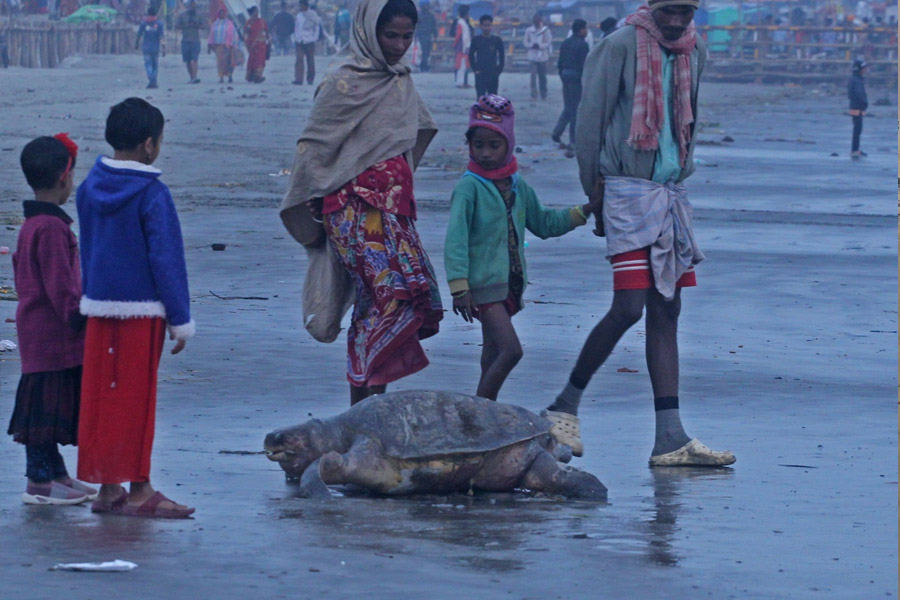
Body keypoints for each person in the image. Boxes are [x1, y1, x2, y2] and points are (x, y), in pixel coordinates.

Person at [546, 0, 736, 467]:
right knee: (629, 306)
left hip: (669, 192)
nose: (676, 21)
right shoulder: (618, 46)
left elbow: (690, 116)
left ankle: (670, 436)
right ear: (654, 6)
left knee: (667, 309)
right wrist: (594, 193)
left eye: (685, 12)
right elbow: (588, 124)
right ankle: (563, 406)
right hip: (626, 191)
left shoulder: (696, 51)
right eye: (669, 10)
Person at [280, 0, 442, 405]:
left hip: (397, 211)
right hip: (352, 214)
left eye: (407, 36)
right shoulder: (343, 82)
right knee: (389, 298)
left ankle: (370, 404)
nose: (399, 45)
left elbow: (417, 130)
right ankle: (364, 404)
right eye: (391, 35)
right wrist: (318, 195)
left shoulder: (401, 81)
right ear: (370, 30)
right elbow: (314, 146)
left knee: (390, 302)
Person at [76, 97, 195, 518]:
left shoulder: (88, 188)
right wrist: (180, 319)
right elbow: (167, 260)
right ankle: (140, 488)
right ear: (149, 145)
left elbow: (87, 250)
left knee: (103, 398)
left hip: (97, 310)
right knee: (138, 400)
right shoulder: (152, 193)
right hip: (142, 313)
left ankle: (109, 488)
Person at [445, 95, 600, 401]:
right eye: (479, 145)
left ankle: (481, 417)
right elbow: (456, 239)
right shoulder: (468, 187)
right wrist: (459, 286)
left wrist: (586, 210)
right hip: (482, 285)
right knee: (511, 350)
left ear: (509, 145)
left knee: (491, 353)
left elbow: (544, 223)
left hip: (509, 286)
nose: (486, 153)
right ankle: (478, 414)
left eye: (494, 145)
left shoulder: (516, 185)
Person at [7, 134, 97, 506]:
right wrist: (81, 318)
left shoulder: (32, 225)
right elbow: (62, 288)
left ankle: (56, 474)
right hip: (52, 335)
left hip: (36, 332)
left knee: (42, 409)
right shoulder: (52, 229)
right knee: (42, 415)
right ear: (65, 176)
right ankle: (40, 482)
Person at [552, 19, 589, 154]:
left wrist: (562, 74)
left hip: (565, 75)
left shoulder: (566, 42)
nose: (587, 31)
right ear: (581, 30)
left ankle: (557, 132)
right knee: (575, 110)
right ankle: (573, 141)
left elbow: (560, 61)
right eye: (585, 28)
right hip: (576, 77)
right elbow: (584, 64)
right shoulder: (583, 45)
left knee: (568, 106)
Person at [468, 14, 504, 97]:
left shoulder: (497, 40)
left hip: (493, 72)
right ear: (480, 26)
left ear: (491, 26)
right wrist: (475, 69)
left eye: (489, 25)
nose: (487, 28)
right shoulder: (476, 40)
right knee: (481, 98)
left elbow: (502, 56)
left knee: (493, 98)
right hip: (480, 73)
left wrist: (499, 70)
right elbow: (471, 55)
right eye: (485, 25)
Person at [523, 13, 551, 100]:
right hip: (532, 56)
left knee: (543, 77)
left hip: (542, 56)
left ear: (541, 21)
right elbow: (525, 42)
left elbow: (548, 42)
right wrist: (532, 45)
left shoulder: (545, 30)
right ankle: (533, 95)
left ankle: (543, 94)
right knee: (533, 77)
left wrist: (540, 46)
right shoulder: (529, 30)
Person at [175, 0, 204, 83]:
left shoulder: (199, 15)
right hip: (185, 40)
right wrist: (186, 26)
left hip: (196, 40)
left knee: (195, 59)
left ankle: (195, 77)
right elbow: (176, 25)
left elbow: (203, 26)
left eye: (194, 6)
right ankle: (191, 77)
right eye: (191, 6)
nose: (193, 7)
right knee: (188, 60)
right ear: (188, 7)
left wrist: (197, 25)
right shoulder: (182, 15)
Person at [292, 0, 321, 85]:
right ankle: (298, 79)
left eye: (302, 6)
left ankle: (310, 79)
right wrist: (295, 37)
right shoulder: (298, 16)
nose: (301, 7)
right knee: (299, 59)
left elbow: (317, 27)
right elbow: (296, 27)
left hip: (309, 40)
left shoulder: (313, 15)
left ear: (306, 6)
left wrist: (315, 38)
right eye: (300, 6)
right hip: (299, 40)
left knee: (310, 60)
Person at [136, 6, 164, 88]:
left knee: (148, 65)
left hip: (146, 48)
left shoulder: (143, 23)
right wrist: (164, 47)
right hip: (155, 48)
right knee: (155, 66)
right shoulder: (159, 24)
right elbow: (161, 37)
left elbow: (139, 35)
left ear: (148, 13)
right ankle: (154, 81)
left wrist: (136, 44)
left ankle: (151, 80)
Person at [208, 8, 237, 83]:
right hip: (218, 46)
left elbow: (233, 34)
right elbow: (211, 35)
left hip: (228, 46)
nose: (221, 14)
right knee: (220, 62)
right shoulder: (215, 24)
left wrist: (233, 44)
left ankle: (230, 76)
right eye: (220, 13)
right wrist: (210, 45)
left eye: (223, 13)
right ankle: (221, 77)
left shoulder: (229, 23)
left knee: (229, 61)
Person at [848, 58, 868, 158]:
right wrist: (864, 104)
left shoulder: (855, 79)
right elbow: (858, 94)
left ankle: (855, 149)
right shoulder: (856, 80)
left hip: (856, 107)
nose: (865, 70)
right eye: (863, 68)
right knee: (857, 130)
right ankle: (854, 150)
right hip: (857, 108)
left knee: (857, 129)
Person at [244, 6, 269, 83]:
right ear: (251, 13)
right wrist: (247, 44)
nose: (256, 13)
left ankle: (258, 76)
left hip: (261, 45)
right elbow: (245, 34)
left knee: (260, 60)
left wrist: (268, 40)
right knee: (252, 60)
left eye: (257, 12)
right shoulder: (249, 22)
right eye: (255, 12)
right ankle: (251, 76)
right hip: (252, 45)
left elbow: (266, 32)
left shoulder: (262, 21)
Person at [453, 4, 472, 88]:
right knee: (461, 65)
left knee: (463, 65)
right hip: (462, 47)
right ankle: (459, 82)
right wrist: (455, 44)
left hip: (464, 47)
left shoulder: (463, 23)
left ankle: (462, 82)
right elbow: (458, 35)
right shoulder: (461, 23)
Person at [415, 0, 435, 71]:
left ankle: (424, 65)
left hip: (428, 35)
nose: (427, 7)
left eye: (428, 5)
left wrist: (435, 35)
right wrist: (415, 37)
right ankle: (423, 66)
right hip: (421, 36)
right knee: (423, 51)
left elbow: (433, 26)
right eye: (426, 5)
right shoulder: (419, 16)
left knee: (428, 51)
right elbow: (416, 27)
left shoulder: (431, 15)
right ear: (422, 6)